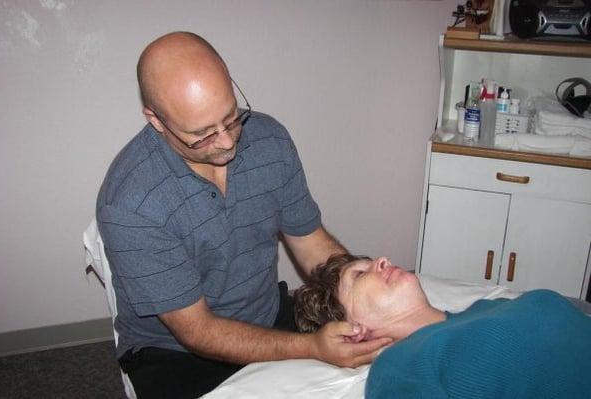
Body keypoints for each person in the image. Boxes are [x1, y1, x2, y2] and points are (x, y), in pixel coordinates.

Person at [95, 32, 391, 398]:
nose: (226, 141)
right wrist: (313, 347)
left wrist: (358, 287)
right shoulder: (130, 202)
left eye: (231, 118)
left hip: (266, 313)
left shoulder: (269, 140)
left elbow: (310, 242)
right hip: (175, 352)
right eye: (201, 134)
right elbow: (198, 331)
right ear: (155, 120)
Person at [294, 254, 591, 399]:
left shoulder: (481, 308)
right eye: (360, 275)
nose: (382, 261)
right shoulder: (396, 368)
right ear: (352, 329)